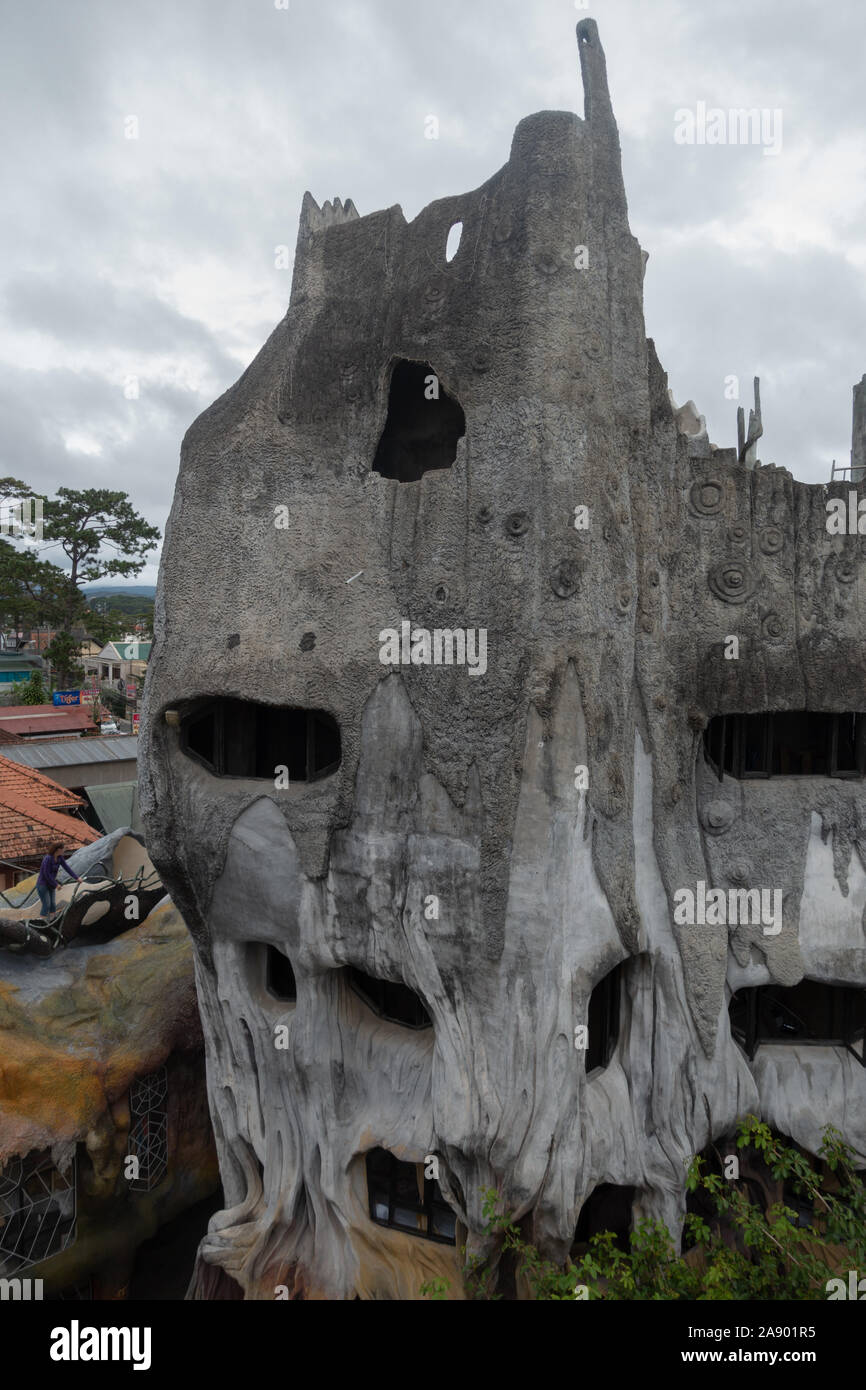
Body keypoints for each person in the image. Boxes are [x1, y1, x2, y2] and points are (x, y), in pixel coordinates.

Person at [36, 843, 81, 920]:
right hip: (42, 884)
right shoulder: (48, 859)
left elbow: (67, 868)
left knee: (53, 904)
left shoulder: (60, 858)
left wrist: (76, 878)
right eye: (63, 849)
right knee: (47, 904)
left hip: (51, 884)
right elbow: (46, 874)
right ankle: (41, 921)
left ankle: (52, 921)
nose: (64, 850)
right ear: (58, 850)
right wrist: (56, 884)